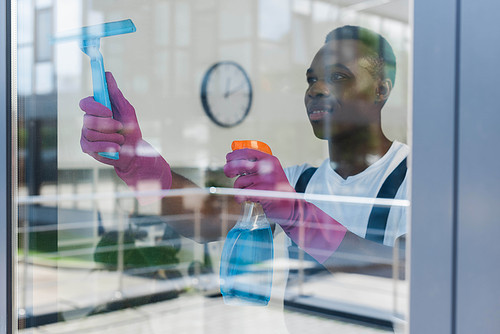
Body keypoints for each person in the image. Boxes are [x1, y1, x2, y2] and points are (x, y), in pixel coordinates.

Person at [79, 25, 408, 274]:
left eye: (337, 77)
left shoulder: (417, 180)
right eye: (311, 80)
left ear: (380, 90)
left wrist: (297, 216)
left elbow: (406, 270)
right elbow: (206, 220)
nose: (317, 89)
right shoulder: (301, 182)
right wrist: (140, 165)